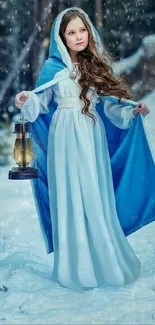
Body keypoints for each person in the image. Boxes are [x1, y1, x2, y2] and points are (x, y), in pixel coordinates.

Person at [15, 7, 155, 291]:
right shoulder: (53, 68)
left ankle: (104, 260)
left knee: (93, 191)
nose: (78, 37)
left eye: (82, 30)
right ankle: (75, 265)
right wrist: (25, 99)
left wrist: (131, 110)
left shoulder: (95, 66)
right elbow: (38, 104)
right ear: (61, 38)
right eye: (71, 32)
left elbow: (111, 106)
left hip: (91, 134)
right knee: (69, 192)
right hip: (63, 136)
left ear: (89, 32)